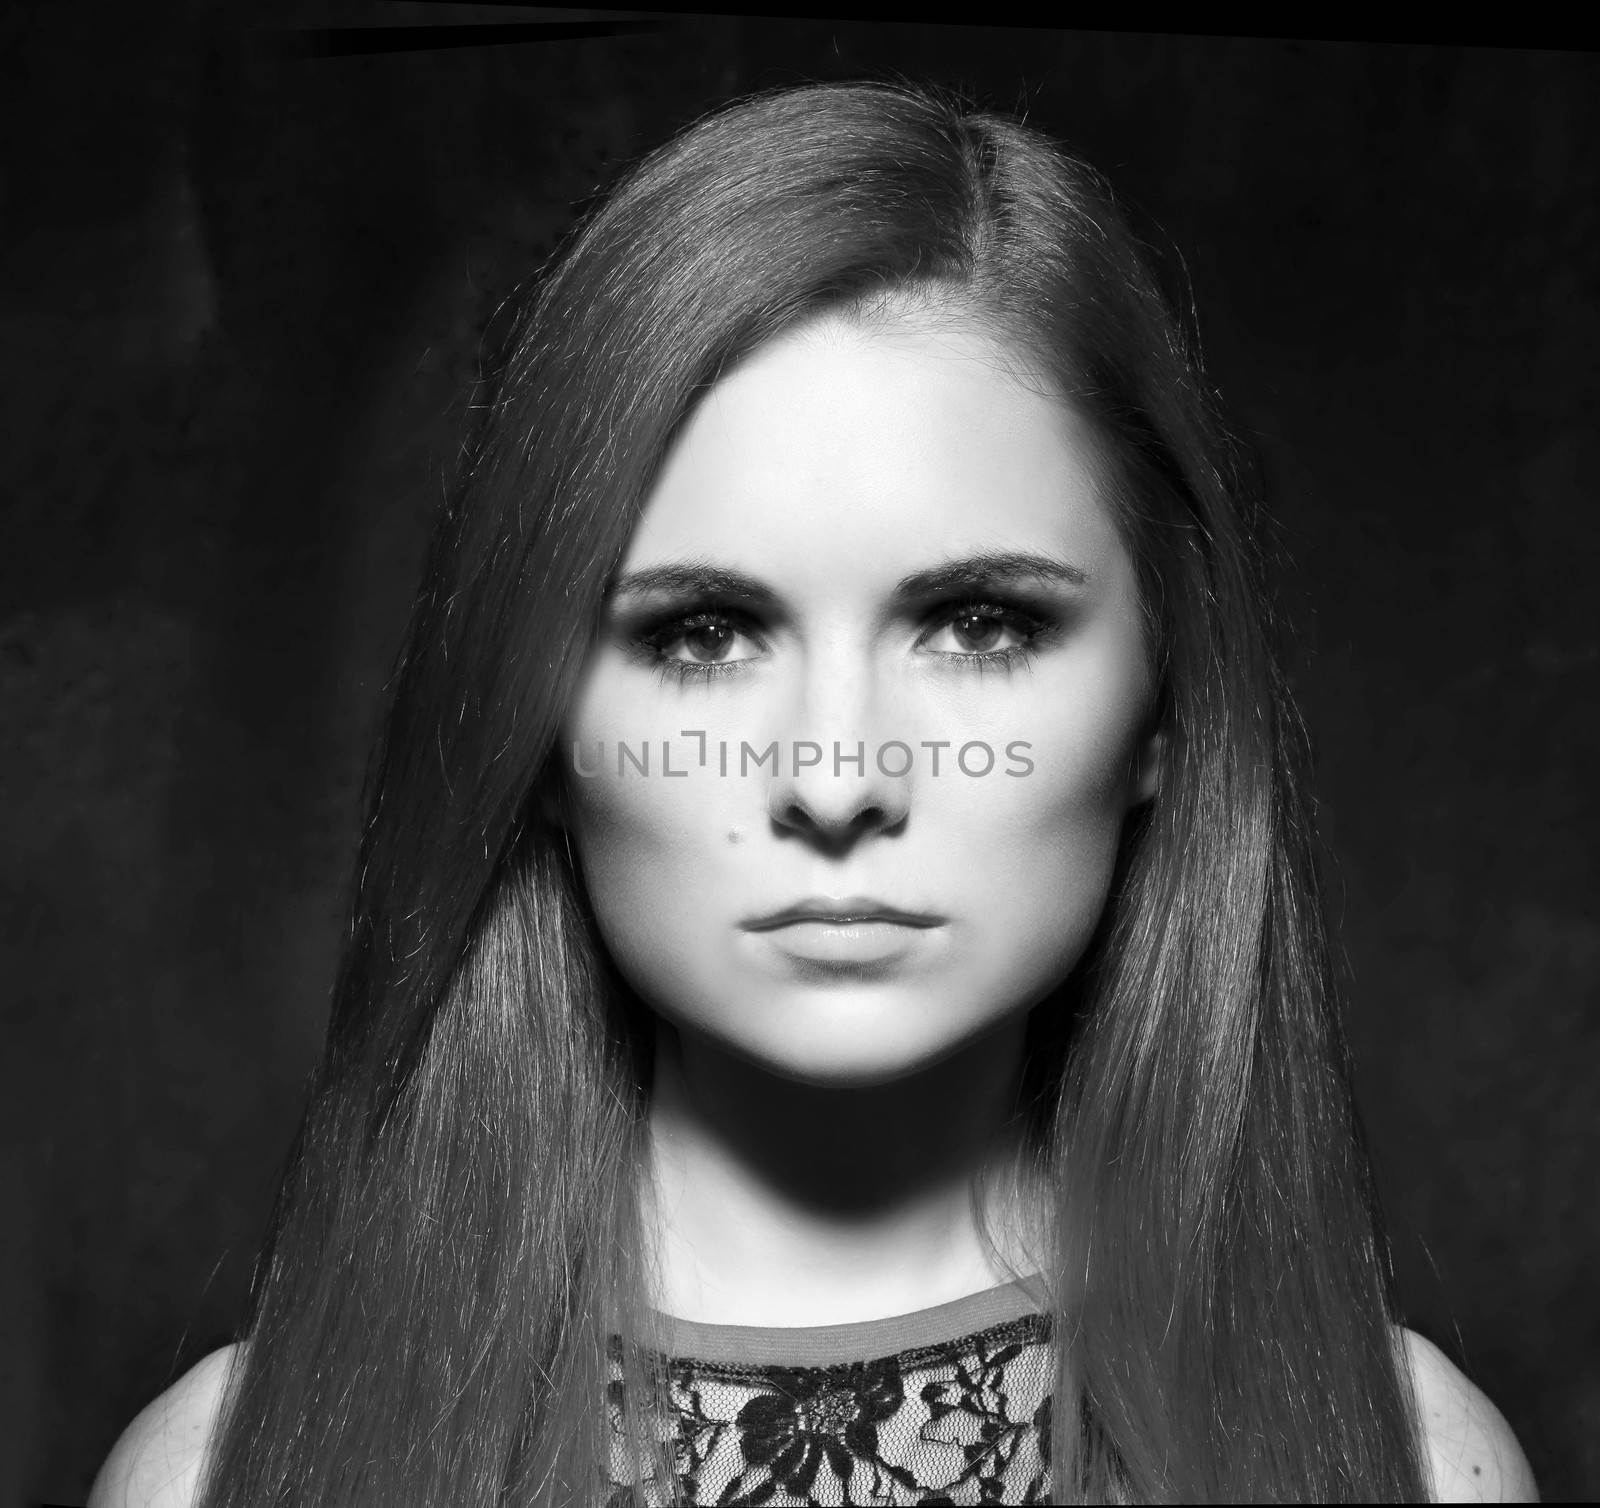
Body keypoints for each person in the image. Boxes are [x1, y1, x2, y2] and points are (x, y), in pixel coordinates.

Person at [91, 80, 1538, 1505]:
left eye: (981, 625)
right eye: (700, 634)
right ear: (530, 734)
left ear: (1166, 706)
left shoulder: (1416, 1465)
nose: (836, 778)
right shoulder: (218, 1476)